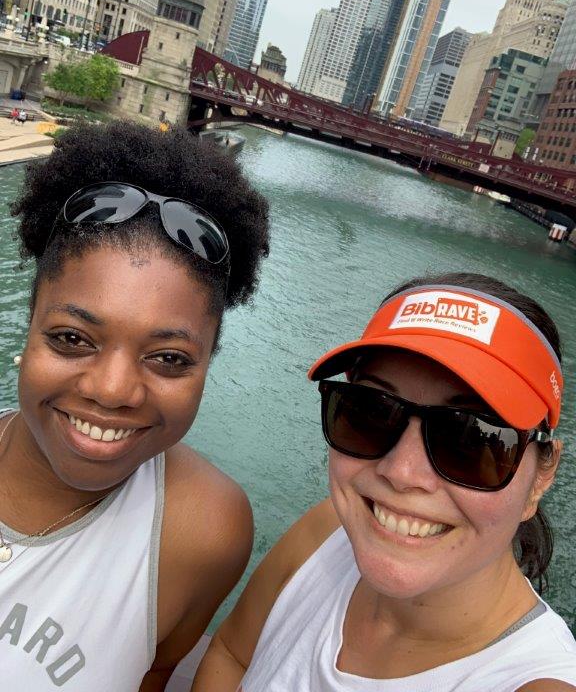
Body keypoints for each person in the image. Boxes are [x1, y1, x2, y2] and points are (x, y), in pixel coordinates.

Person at [193, 273, 576, 692]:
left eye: (471, 437)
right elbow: (233, 653)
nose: (402, 472)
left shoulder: (535, 682)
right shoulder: (328, 531)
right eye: (371, 412)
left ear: (542, 477)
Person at [1, 120, 269, 690]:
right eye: (72, 338)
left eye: (169, 358)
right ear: (27, 330)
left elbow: (156, 674)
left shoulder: (203, 532)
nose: (113, 390)